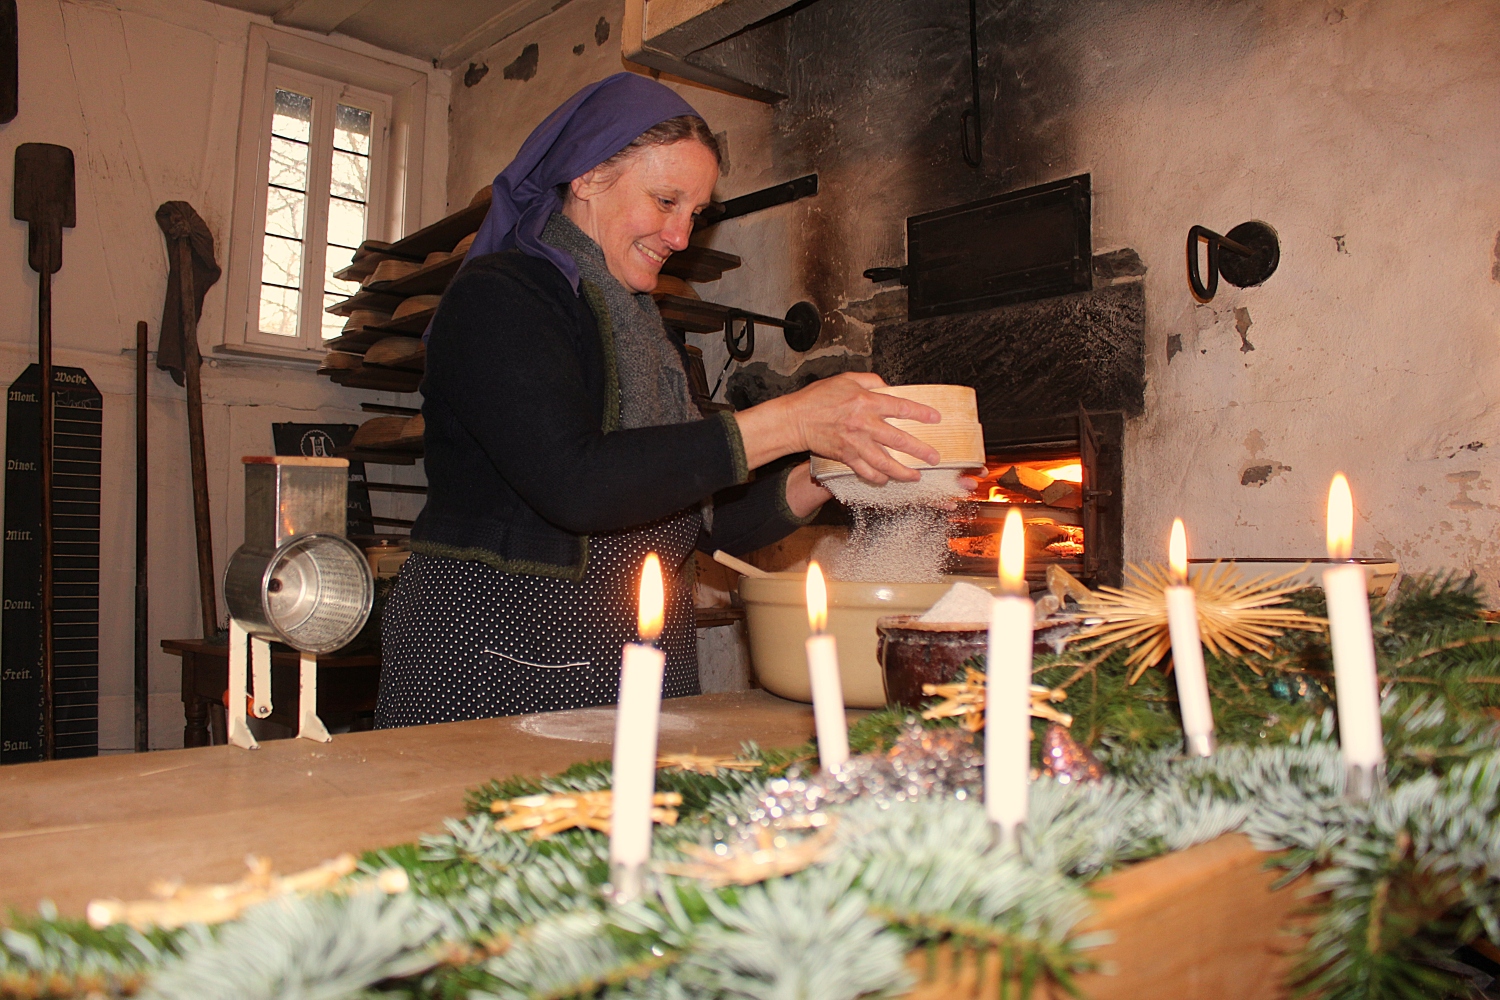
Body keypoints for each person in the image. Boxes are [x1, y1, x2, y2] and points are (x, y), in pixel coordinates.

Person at [374, 73, 943, 728]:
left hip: (630, 660)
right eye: (666, 200)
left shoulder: (644, 333)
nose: (681, 236)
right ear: (586, 175)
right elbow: (576, 482)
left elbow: (700, 522)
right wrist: (791, 419)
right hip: (499, 659)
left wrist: (822, 471)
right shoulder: (503, 297)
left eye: (694, 214)